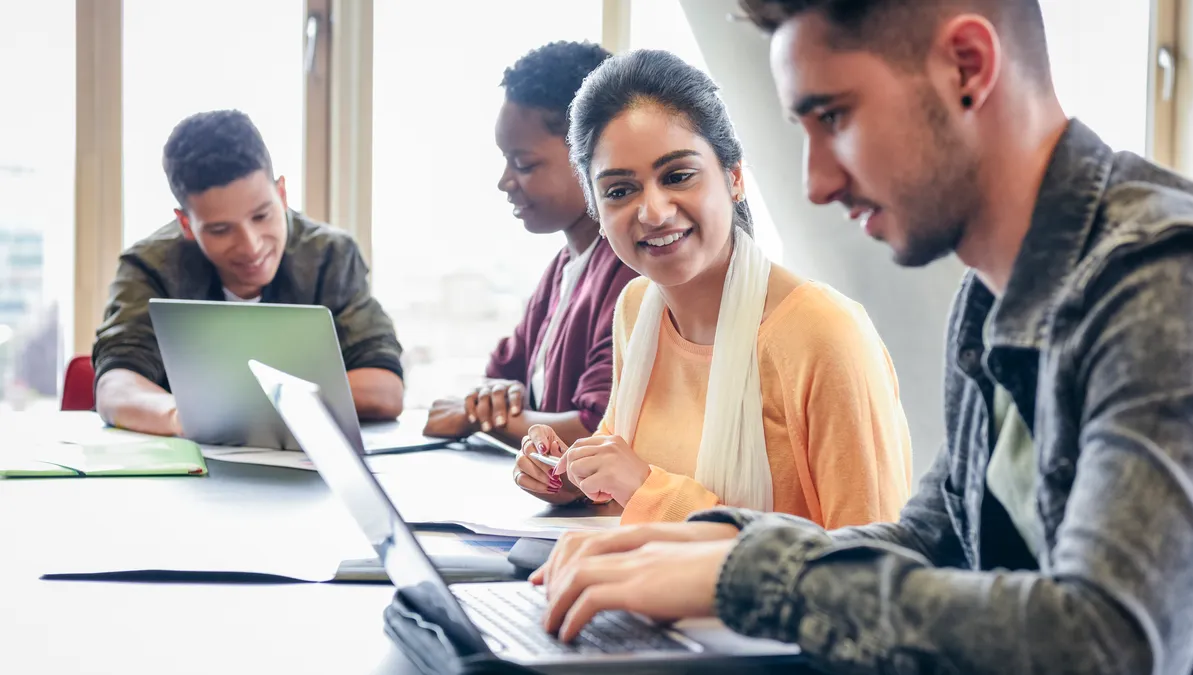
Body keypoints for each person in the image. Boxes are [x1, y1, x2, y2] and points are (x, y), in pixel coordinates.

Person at [531, 1, 1193, 672]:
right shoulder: (989, 292)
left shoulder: (1162, 282)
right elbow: (934, 541)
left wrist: (754, 577)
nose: (816, 183)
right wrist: (701, 548)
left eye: (835, 118)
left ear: (968, 67)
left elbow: (1111, 640)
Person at [516, 49, 912, 524]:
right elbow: (620, 487)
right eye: (620, 191)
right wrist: (566, 476)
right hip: (642, 591)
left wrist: (649, 489)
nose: (655, 212)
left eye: (678, 176)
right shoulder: (637, 309)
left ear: (735, 178)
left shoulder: (823, 334)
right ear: (597, 211)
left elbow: (869, 569)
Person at [93, 110, 405, 437]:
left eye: (261, 216)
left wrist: (238, 407)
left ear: (281, 194)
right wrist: (183, 418)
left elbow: (384, 388)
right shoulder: (150, 266)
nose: (251, 246)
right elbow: (116, 385)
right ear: (186, 224)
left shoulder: (330, 256)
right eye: (220, 229)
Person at [423, 41, 639, 456]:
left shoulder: (630, 271)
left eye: (523, 163)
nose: (505, 181)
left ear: (590, 155)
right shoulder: (563, 268)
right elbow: (500, 378)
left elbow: (595, 429)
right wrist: (494, 402)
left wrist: (478, 418)